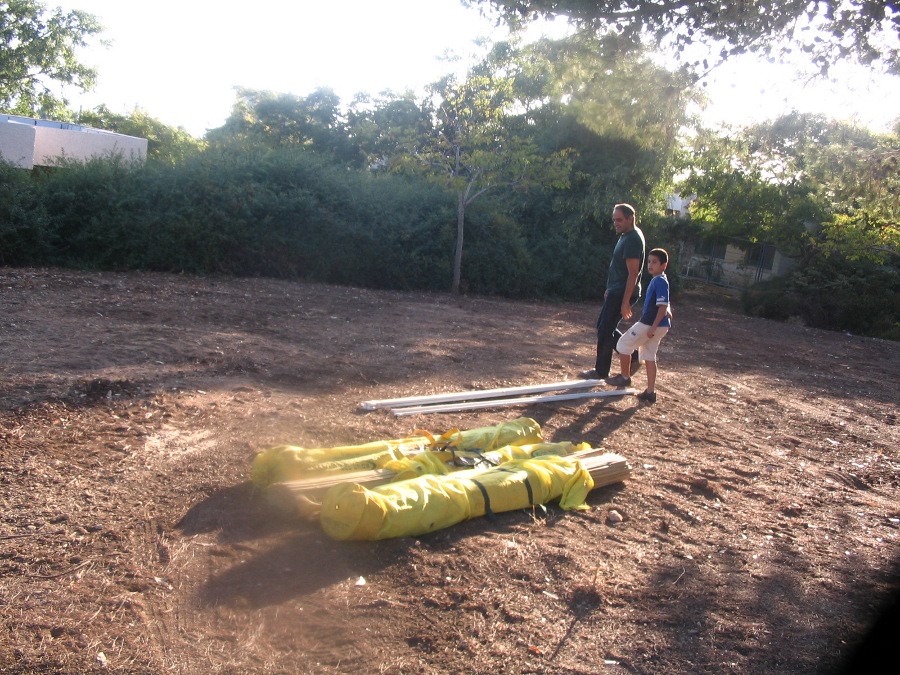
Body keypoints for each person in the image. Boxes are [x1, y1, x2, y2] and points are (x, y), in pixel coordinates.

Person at [579, 203, 645, 380]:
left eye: (620, 220)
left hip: (623, 292)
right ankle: (633, 356)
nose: (616, 223)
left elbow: (633, 273)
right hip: (616, 290)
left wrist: (625, 301)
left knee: (604, 328)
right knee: (604, 327)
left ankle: (601, 371)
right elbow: (618, 268)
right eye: (614, 220)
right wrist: (610, 287)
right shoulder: (625, 236)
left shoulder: (632, 238)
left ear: (631, 218)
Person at [605, 248, 672, 403]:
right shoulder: (660, 280)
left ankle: (624, 377)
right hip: (658, 325)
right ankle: (650, 392)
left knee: (623, 344)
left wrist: (653, 327)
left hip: (650, 324)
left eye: (655, 262)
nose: (650, 265)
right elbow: (665, 304)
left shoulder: (660, 281)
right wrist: (666, 311)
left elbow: (663, 306)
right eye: (649, 262)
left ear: (664, 265)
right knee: (649, 355)